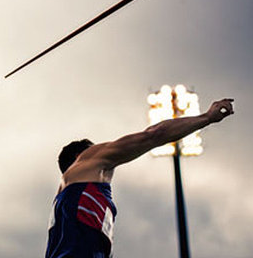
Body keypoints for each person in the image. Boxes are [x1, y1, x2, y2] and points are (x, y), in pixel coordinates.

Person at [45, 98, 234, 258]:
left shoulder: (66, 200)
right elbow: (153, 136)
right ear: (80, 156)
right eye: (98, 149)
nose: (107, 152)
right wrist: (207, 117)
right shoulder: (86, 162)